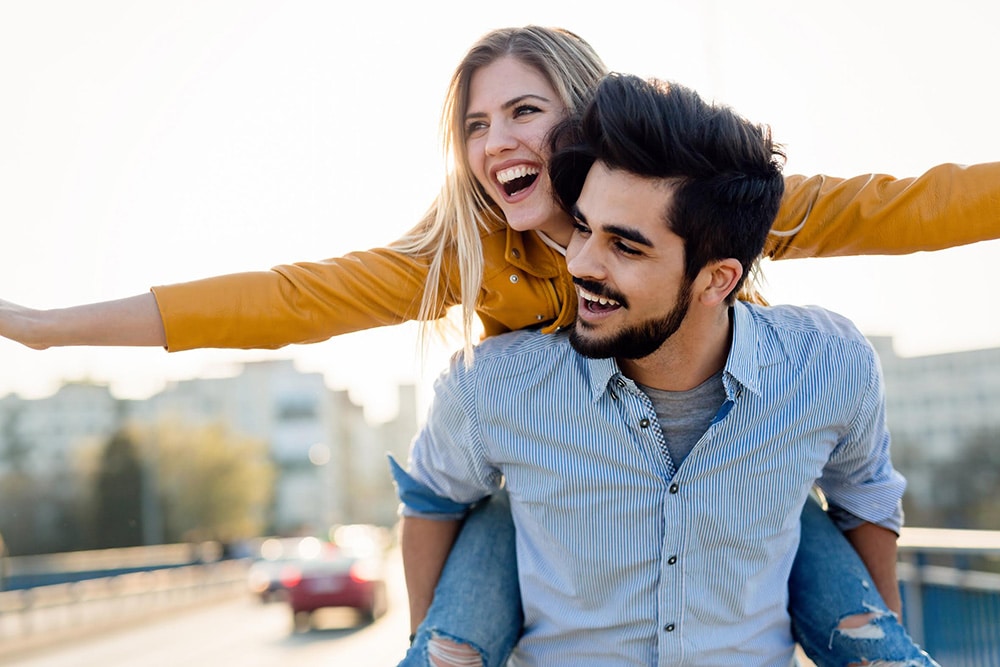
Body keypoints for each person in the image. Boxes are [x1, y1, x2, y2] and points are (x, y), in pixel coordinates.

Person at [0, 24, 990, 665]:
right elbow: (284, 301)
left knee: (831, 573)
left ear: (585, 117)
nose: (494, 143)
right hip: (549, 496)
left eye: (523, 111)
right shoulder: (469, 257)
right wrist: (47, 330)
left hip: (721, 470)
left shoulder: (688, 192)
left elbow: (903, 207)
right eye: (474, 124)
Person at [392, 73, 936, 665]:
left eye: (625, 247)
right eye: (582, 227)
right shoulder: (492, 388)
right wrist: (429, 638)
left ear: (717, 279)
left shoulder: (828, 367)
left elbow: (865, 498)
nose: (580, 263)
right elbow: (431, 499)